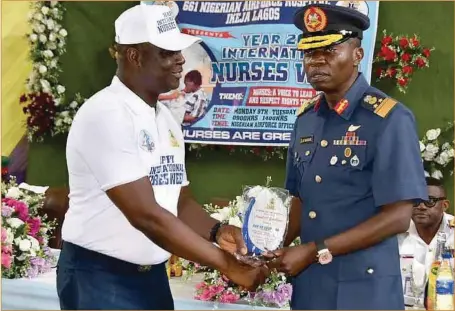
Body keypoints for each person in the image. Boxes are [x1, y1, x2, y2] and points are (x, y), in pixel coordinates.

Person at [57, 4, 267, 310]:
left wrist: (217, 231)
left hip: (150, 278)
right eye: (167, 52)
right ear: (134, 56)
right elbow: (147, 215)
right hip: (99, 277)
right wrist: (227, 265)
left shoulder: (165, 118)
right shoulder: (106, 114)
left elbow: (178, 202)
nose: (181, 59)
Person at [266, 4, 428, 310]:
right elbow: (300, 200)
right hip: (311, 287)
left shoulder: (389, 119)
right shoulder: (306, 119)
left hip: (364, 290)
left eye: (330, 50)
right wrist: (270, 249)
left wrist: (314, 250)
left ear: (357, 55)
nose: (316, 61)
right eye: (310, 52)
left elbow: (397, 217)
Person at [398, 177, 454, 307]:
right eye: (416, 201)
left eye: (430, 201)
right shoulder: (396, 233)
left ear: (444, 205)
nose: (421, 207)